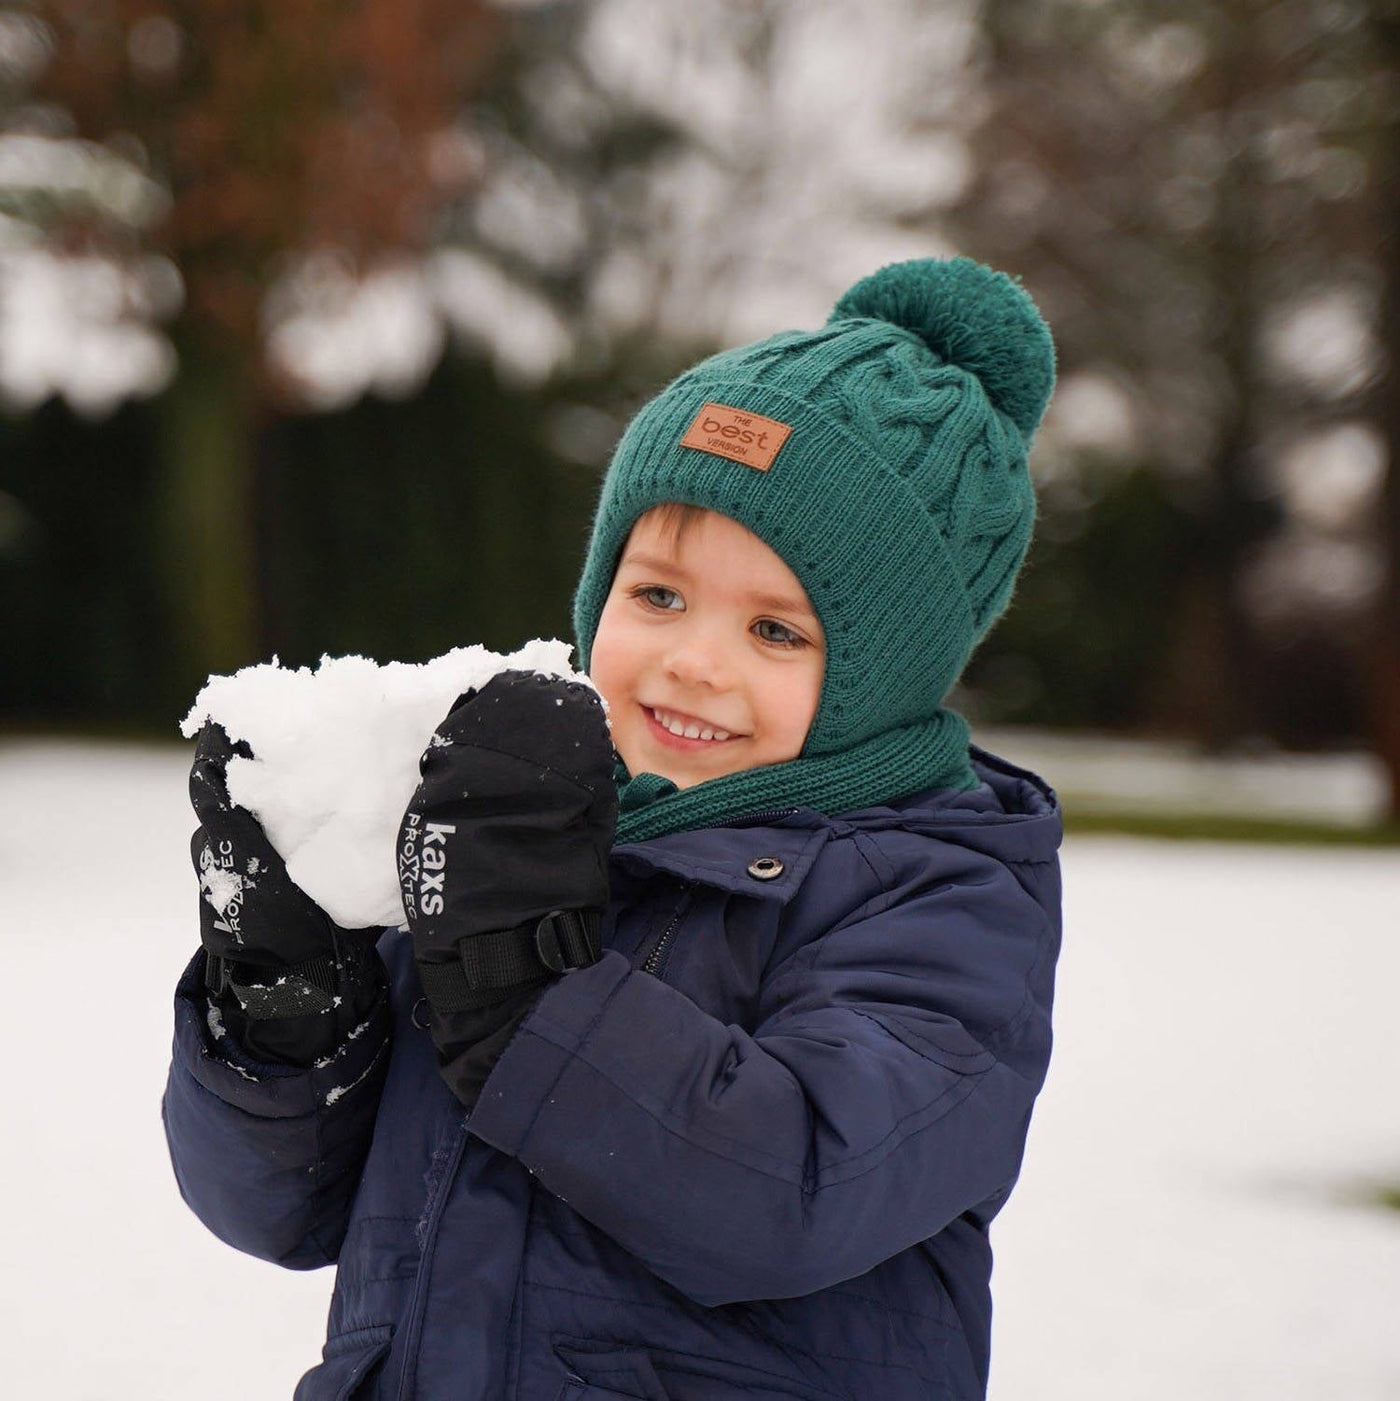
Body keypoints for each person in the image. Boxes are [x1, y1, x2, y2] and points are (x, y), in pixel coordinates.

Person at [163, 255, 1064, 1401]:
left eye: (777, 632)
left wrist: (529, 1000)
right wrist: (288, 1014)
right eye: (659, 596)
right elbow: (280, 1211)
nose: (694, 660)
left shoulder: (937, 895)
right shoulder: (512, 828)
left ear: (886, 673)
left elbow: (792, 1191)